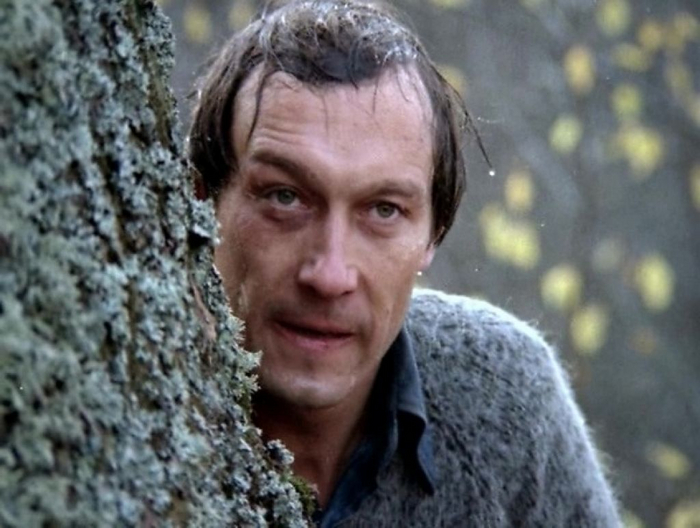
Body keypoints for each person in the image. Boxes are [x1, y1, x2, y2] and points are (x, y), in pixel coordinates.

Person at [188, 1, 621, 526]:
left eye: (383, 210)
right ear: (202, 201)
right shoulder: (126, 389)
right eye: (285, 197)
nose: (330, 275)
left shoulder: (505, 398)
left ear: (433, 233)